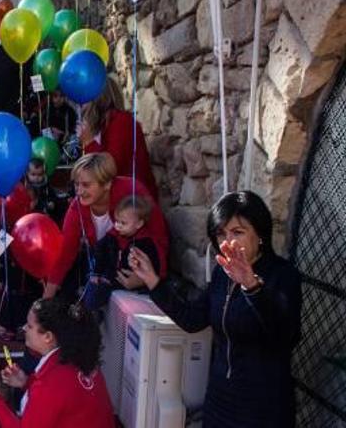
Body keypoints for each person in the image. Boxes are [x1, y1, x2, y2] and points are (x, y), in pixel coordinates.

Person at [129, 190, 302, 428]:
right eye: (221, 234)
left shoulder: (282, 276)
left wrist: (252, 287)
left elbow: (285, 337)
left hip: (264, 407)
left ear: (260, 234)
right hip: (220, 400)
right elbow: (193, 319)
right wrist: (153, 281)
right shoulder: (223, 273)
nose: (227, 242)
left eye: (238, 232)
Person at [45, 153, 168, 300]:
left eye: (86, 185)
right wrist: (44, 302)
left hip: (141, 272)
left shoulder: (133, 192)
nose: (79, 191)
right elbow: (64, 254)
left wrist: (148, 278)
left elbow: (158, 237)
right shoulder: (76, 208)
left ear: (107, 184)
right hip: (104, 269)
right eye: (76, 184)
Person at [0, 298, 114, 428]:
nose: (24, 329)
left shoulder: (49, 382)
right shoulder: (79, 358)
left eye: (30, 326)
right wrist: (26, 382)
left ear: (48, 336)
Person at [79, 78, 158, 200]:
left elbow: (109, 169)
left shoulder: (121, 122)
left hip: (135, 204)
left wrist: (89, 143)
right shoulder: (105, 124)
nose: (82, 105)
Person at [84, 195, 161, 311]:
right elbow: (100, 250)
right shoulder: (113, 235)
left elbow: (153, 267)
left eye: (123, 223)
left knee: (96, 294)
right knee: (91, 283)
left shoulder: (145, 243)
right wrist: (97, 272)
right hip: (110, 275)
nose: (118, 226)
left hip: (132, 284)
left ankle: (90, 311)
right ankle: (89, 310)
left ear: (139, 224)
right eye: (116, 221)